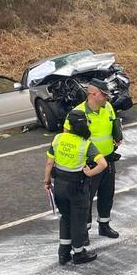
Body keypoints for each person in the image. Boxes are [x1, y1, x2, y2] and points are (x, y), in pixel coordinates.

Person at [46, 110, 108, 265]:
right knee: (78, 220)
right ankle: (79, 253)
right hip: (77, 187)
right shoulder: (85, 144)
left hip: (59, 184)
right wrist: (89, 173)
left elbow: (49, 163)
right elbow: (103, 164)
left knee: (65, 218)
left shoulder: (58, 139)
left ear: (69, 124)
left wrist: (46, 180)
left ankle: (63, 254)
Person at [69, 79, 123, 239]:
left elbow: (114, 123)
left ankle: (104, 225)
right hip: (90, 164)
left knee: (107, 194)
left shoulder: (108, 108)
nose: (107, 98)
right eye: (103, 94)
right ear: (92, 94)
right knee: (86, 199)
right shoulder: (78, 113)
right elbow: (68, 137)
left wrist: (117, 135)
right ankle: (83, 233)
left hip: (108, 159)